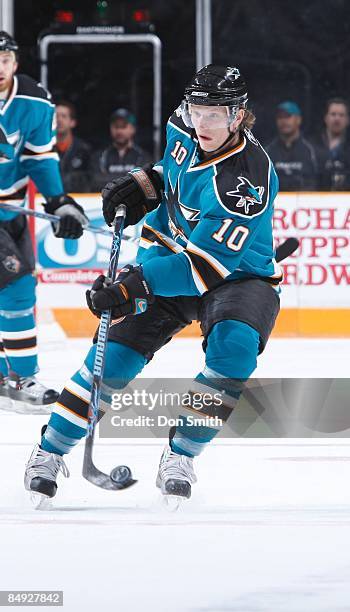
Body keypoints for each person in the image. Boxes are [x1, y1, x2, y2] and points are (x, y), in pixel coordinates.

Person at [24, 64, 282, 503]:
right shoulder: (183, 124)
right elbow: (172, 169)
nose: (201, 122)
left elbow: (204, 269)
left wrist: (133, 284)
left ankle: (181, 454)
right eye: (197, 109)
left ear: (238, 116)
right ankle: (48, 451)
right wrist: (147, 182)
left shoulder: (247, 182)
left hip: (237, 276)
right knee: (111, 362)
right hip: (168, 255)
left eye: (215, 114)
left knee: (234, 350)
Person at [0, 31, 88, 410]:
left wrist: (58, 202)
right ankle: (19, 376)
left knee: (21, 294)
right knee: (16, 284)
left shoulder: (34, 101)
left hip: (13, 210)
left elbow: (40, 157)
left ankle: (12, 375)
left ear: (15, 63)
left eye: (3, 59)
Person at [90, 108, 152, 191]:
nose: (119, 131)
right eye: (116, 127)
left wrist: (110, 178)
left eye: (123, 127)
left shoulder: (143, 157)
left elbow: (145, 182)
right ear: (110, 128)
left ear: (132, 129)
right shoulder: (100, 156)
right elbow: (94, 181)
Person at [267, 101, 318, 190]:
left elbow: (318, 182)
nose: (283, 121)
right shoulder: (267, 151)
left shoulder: (312, 150)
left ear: (298, 120)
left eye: (288, 116)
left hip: (306, 202)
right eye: (280, 117)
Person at [313, 97, 350, 190]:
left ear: (347, 120)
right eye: (333, 114)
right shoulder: (311, 146)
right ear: (326, 118)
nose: (337, 119)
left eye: (341, 115)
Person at [55, 100, 91, 193]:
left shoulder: (84, 150)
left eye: (63, 116)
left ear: (72, 122)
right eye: (56, 116)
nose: (59, 120)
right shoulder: (44, 149)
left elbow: (90, 181)